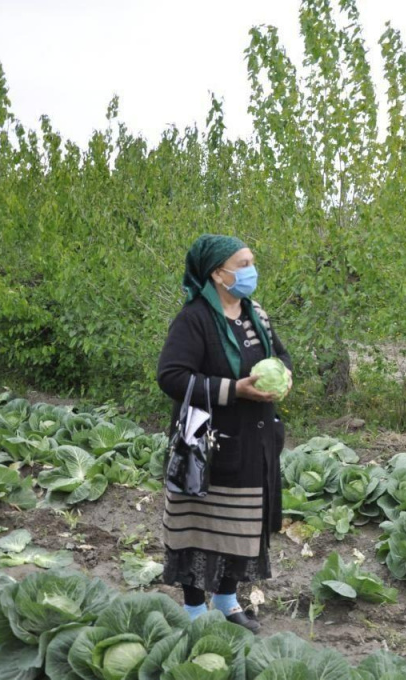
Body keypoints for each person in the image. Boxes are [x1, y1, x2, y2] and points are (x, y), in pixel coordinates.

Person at [156, 234, 292, 633]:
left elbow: (280, 355)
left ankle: (228, 601)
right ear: (218, 273)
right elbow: (171, 376)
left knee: (242, 525)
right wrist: (234, 390)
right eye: (243, 263)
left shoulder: (256, 314)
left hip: (254, 442)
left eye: (251, 262)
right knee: (197, 529)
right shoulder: (194, 318)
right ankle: (195, 610)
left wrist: (285, 374)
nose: (251, 270)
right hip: (207, 447)